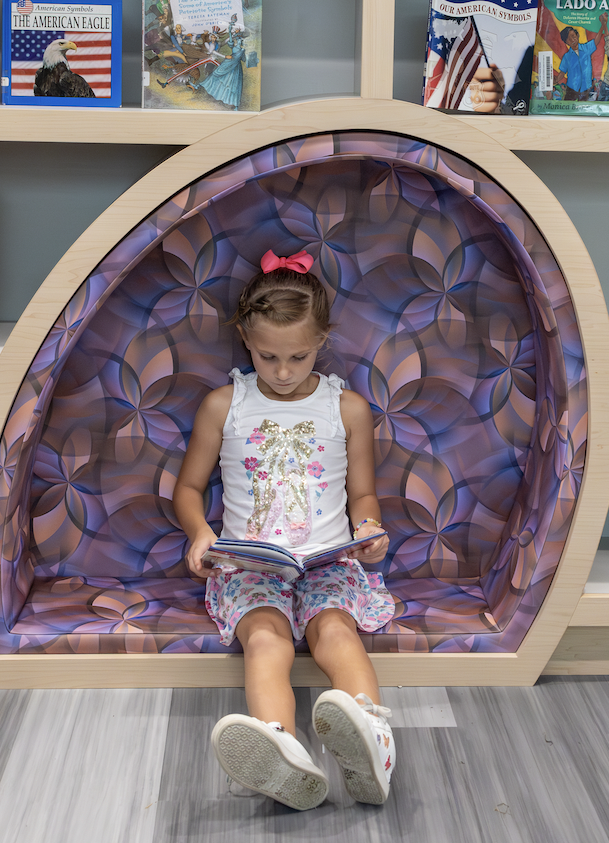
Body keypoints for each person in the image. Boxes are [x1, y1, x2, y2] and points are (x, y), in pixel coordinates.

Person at [173, 251, 396, 809]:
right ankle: (283, 751)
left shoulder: (346, 408)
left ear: (323, 340)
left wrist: (369, 528)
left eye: (298, 356)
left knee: (335, 633)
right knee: (267, 639)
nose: (283, 371)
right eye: (268, 356)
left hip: (327, 561)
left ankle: (370, 736)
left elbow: (362, 495)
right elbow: (187, 490)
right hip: (251, 564)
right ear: (245, 339)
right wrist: (200, 533)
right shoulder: (225, 404)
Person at [557, 24, 594, 101]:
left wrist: (603, 26)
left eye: (573, 36)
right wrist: (555, 80)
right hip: (572, 88)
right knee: (567, 107)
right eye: (569, 39)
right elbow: (562, 72)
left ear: (577, 35)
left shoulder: (586, 48)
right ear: (566, 42)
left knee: (583, 108)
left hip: (585, 87)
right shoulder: (566, 56)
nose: (572, 39)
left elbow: (596, 41)